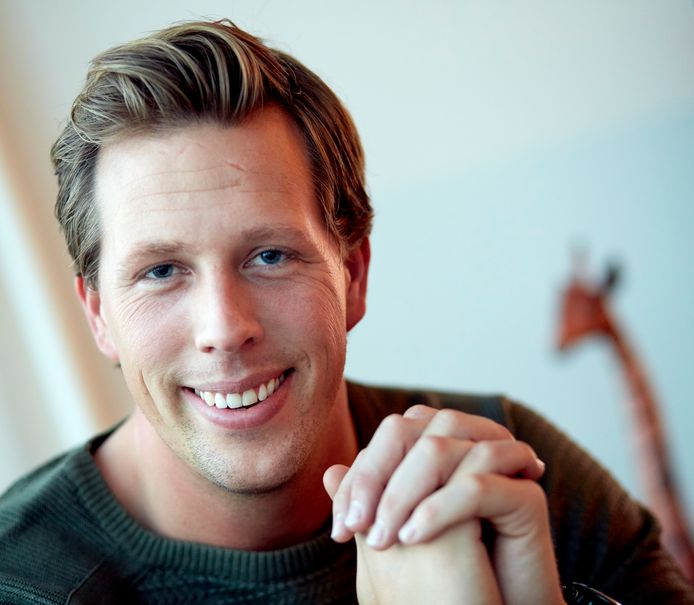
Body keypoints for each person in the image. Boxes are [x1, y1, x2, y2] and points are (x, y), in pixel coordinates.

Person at [0, 19, 692, 605]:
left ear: (353, 273)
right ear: (98, 314)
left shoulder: (511, 478)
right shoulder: (21, 581)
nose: (225, 328)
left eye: (269, 255)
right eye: (160, 271)